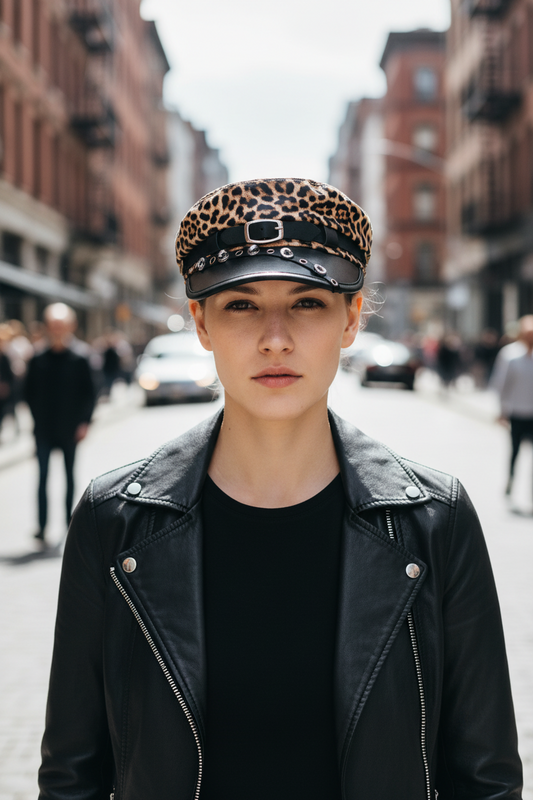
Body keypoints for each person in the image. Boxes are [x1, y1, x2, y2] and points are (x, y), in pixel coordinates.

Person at [38, 179, 522, 799]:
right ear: (201, 324)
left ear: (351, 320)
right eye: (240, 305)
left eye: (307, 303)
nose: (275, 337)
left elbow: (487, 778)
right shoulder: (115, 518)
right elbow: (71, 775)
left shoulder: (436, 517)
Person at [24, 303, 96, 546]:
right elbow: (27, 392)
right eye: (52, 325)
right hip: (43, 429)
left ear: (70, 326)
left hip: (69, 429)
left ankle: (69, 524)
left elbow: (90, 393)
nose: (56, 329)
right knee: (42, 478)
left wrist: (84, 423)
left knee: (69, 477)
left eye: (60, 325)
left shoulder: (81, 356)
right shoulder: (37, 357)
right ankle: (42, 528)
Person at [491, 315, 533, 497]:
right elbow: (501, 384)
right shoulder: (510, 355)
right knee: (515, 451)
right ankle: (511, 479)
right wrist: (502, 411)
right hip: (517, 412)